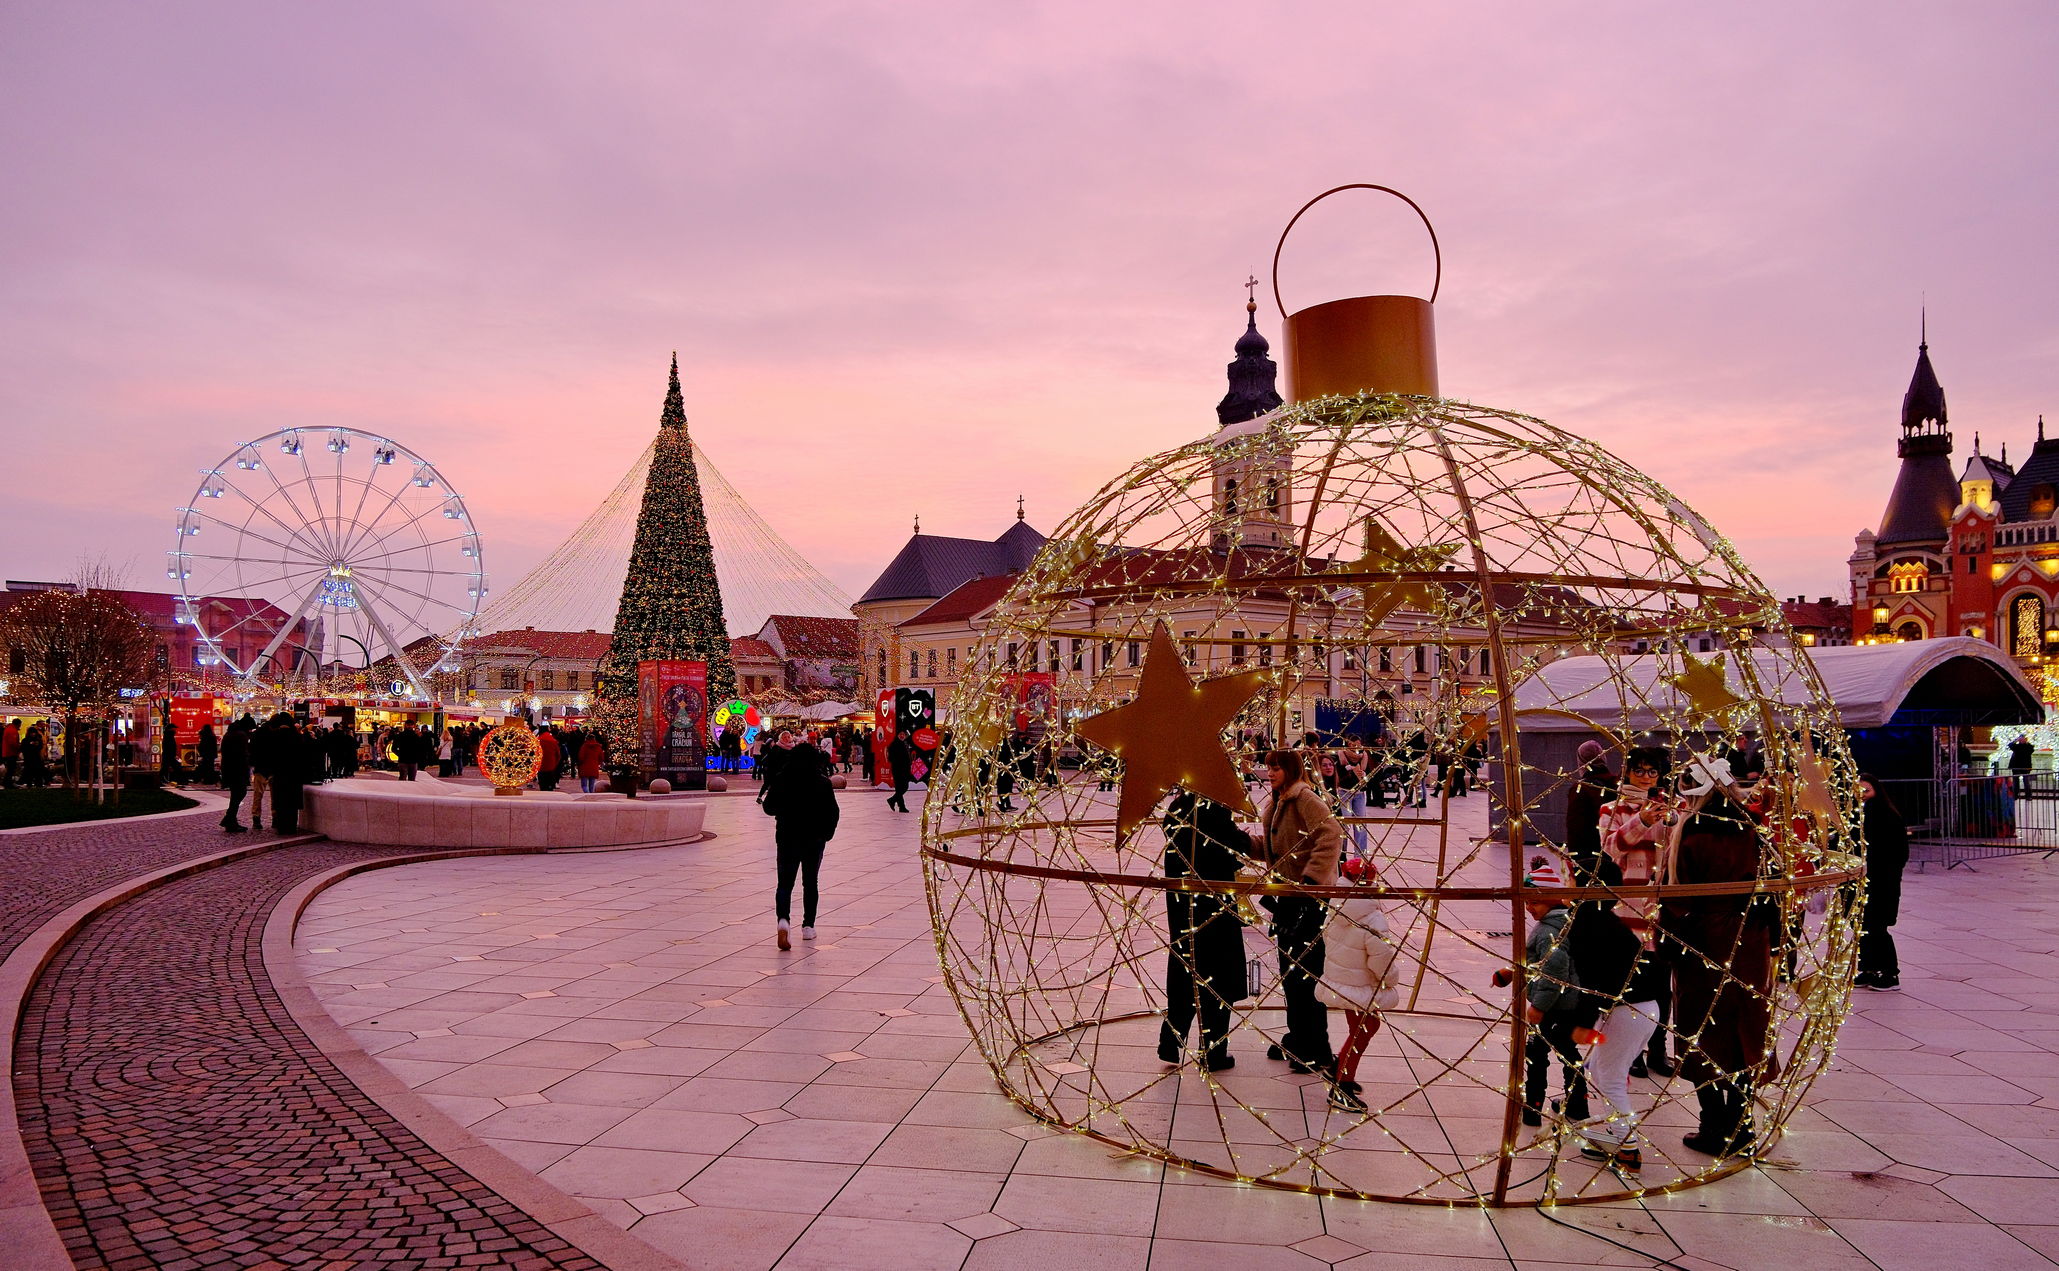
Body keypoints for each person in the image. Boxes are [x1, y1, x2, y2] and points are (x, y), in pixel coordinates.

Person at [1661, 757, 1777, 1157]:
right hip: (1749, 938)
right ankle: (1742, 1123)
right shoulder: (1751, 826)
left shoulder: (1691, 830)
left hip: (1705, 940)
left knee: (1702, 1029)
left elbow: (1677, 894)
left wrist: (1670, 942)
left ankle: (1713, 1123)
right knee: (1743, 1025)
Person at [1565, 896, 1665, 1170]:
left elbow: (1593, 981)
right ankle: (1616, 1132)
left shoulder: (1587, 924)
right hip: (1642, 1008)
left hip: (1628, 1011)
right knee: (1599, 1067)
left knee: (1611, 1080)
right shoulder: (1606, 919)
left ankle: (1628, 1151)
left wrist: (1584, 1024)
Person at [1260, 748, 1343, 1074]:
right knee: (1291, 975)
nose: (1271, 772)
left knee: (1305, 975)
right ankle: (1298, 1039)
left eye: (1277, 767)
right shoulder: (1280, 799)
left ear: (1291, 769)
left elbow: (1330, 833)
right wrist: (1245, 844)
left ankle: (1317, 1049)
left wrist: (1311, 879)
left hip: (1306, 899)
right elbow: (1276, 844)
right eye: (1269, 767)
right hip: (1288, 898)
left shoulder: (1303, 797)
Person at [1597, 745, 1677, 1078]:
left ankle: (1659, 1050)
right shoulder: (1612, 807)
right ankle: (1632, 1053)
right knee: (1630, 986)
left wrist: (1671, 821)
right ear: (1628, 771)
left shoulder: (1672, 806)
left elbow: (1677, 852)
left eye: (1652, 771)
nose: (1645, 777)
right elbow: (1610, 847)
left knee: (1662, 988)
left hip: (1662, 911)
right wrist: (1641, 820)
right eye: (1639, 770)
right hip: (1628, 908)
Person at [1158, 791, 1251, 1072]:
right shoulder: (1214, 810)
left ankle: (1170, 1042)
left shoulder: (1177, 809)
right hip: (1214, 908)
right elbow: (1232, 847)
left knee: (1186, 970)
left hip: (1183, 907)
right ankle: (1214, 1051)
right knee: (1218, 978)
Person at [1492, 859, 1588, 1127]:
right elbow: (1541, 964)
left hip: (1554, 1007)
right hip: (1565, 1004)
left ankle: (1534, 1106)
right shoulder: (1561, 923)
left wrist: (1540, 1006)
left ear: (1551, 900)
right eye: (1527, 903)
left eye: (1534, 903)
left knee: (1539, 1056)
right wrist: (1512, 973)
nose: (1529, 908)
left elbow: (1553, 972)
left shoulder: (1549, 931)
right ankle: (1574, 1103)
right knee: (1565, 1052)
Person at [1315, 855, 1400, 1114]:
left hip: (1342, 980)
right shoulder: (1371, 917)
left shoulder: (1335, 908)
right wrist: (1390, 980)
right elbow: (1381, 959)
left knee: (1364, 1027)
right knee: (1365, 1028)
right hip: (1362, 985)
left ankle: (1339, 1068)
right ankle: (1342, 1084)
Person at [764, 742, 840, 949]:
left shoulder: (782, 779)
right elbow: (833, 812)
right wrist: (827, 834)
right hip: (814, 839)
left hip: (787, 837)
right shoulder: (822, 782)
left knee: (784, 884)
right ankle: (808, 926)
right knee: (810, 882)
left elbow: (768, 808)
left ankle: (783, 921)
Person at [1854, 774, 1909, 991]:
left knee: (1877, 927)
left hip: (1880, 881)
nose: (1861, 795)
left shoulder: (1885, 815)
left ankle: (1889, 972)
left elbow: (1896, 852)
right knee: (1864, 927)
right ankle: (1868, 968)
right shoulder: (1857, 815)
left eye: (1866, 790)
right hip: (1863, 879)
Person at [1562, 740, 1616, 887]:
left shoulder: (1581, 788)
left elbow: (1575, 830)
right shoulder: (1617, 784)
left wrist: (1575, 863)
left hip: (1588, 856)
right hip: (1615, 851)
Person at [1337, 735, 1373, 858]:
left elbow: (1369, 773)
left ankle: (1360, 857)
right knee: (1345, 824)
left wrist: (1364, 774)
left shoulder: (1364, 757)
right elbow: (1338, 772)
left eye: (1357, 745)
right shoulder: (1341, 755)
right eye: (1352, 745)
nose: (1355, 748)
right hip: (1344, 792)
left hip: (1359, 793)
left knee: (1361, 825)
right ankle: (1342, 855)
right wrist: (1349, 769)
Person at [219, 717, 254, 833]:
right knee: (239, 793)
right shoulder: (241, 736)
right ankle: (230, 819)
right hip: (238, 769)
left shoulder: (229, 734)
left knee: (236, 794)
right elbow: (242, 754)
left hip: (229, 769)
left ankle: (230, 819)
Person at [886, 731, 913, 813]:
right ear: (897, 735)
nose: (902, 736)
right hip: (898, 769)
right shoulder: (894, 745)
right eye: (900, 734)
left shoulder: (904, 743)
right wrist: (899, 763)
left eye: (903, 734)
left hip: (904, 769)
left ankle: (898, 804)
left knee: (901, 788)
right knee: (902, 787)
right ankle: (897, 803)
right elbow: (891, 758)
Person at [1, 717, 18, 788]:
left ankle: (6, 782)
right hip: (11, 753)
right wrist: (18, 748)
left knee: (9, 769)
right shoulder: (12, 731)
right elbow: (13, 743)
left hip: (6, 752)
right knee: (11, 769)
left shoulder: (7, 729)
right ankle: (7, 782)